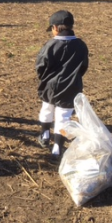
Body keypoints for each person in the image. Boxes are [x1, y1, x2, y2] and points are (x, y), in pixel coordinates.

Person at [35, 10, 89, 159]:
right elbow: (84, 66)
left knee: (47, 108)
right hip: (71, 87)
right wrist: (75, 79)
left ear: (56, 27)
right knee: (64, 118)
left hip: (50, 86)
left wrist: (44, 79)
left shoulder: (50, 44)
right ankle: (57, 148)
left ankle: (45, 134)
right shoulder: (81, 45)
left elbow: (40, 65)